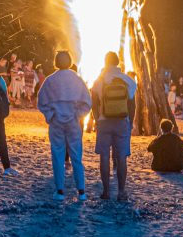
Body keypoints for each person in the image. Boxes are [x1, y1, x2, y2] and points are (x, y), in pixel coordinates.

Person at [37, 50, 92, 202]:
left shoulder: (50, 80)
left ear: (56, 62)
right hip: (73, 123)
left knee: (57, 155)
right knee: (76, 156)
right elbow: (88, 102)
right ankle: (81, 192)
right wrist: (78, 115)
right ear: (69, 61)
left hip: (56, 123)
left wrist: (51, 115)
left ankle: (60, 191)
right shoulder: (77, 79)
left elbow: (41, 102)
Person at [91, 52, 137, 200]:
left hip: (104, 122)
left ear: (105, 62)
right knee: (122, 157)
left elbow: (94, 103)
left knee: (104, 157)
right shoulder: (127, 81)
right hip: (122, 122)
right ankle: (121, 192)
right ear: (117, 62)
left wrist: (97, 119)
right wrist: (130, 122)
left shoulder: (99, 81)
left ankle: (106, 191)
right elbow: (132, 104)